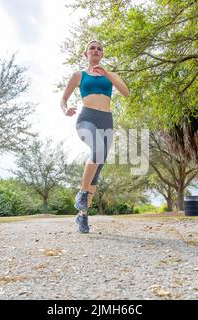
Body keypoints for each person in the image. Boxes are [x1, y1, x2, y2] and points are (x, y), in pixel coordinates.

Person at [60, 40, 130, 233]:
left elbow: (126, 93)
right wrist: (66, 109)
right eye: (92, 48)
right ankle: (82, 194)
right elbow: (63, 98)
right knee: (97, 151)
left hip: (106, 120)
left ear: (102, 55)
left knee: (96, 172)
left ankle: (82, 216)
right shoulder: (78, 75)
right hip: (87, 118)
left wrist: (107, 74)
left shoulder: (111, 75)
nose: (96, 50)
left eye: (99, 49)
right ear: (86, 54)